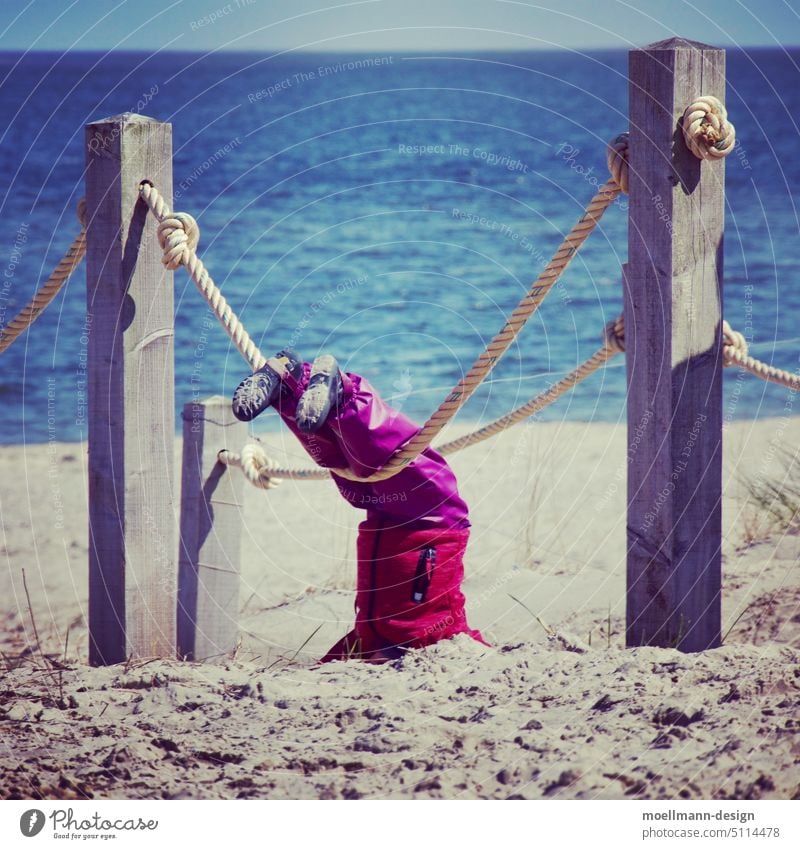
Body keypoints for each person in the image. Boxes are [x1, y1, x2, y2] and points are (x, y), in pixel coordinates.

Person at [232, 350, 486, 662]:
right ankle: (319, 392)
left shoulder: (385, 638)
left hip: (403, 519)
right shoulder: (414, 635)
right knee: (375, 458)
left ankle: (300, 387)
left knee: (362, 460)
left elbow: (334, 664)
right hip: (412, 521)